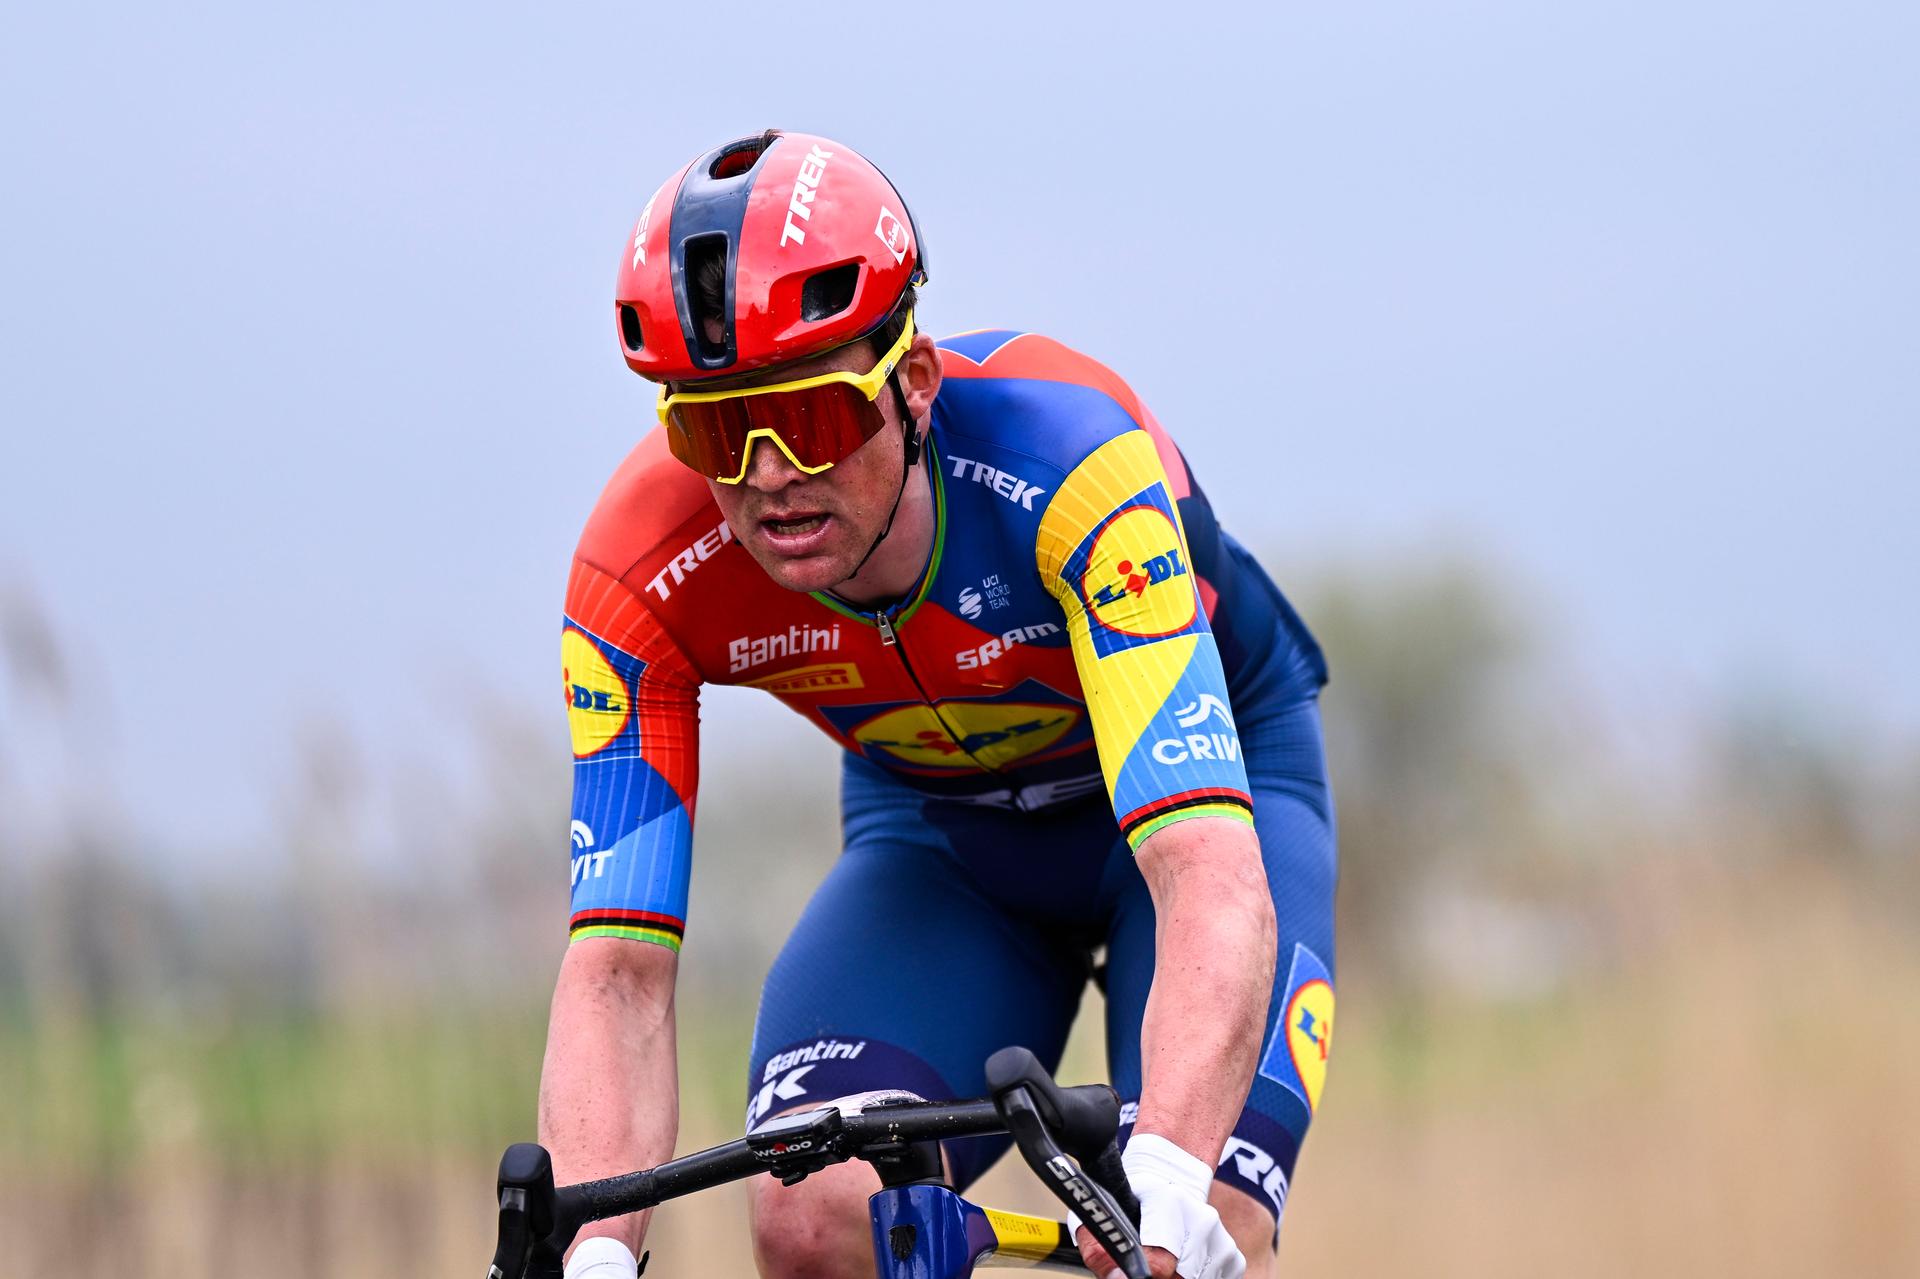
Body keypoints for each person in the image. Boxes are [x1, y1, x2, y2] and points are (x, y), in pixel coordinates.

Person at [540, 130, 1336, 1279]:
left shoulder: (1069, 461)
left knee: (1192, 1229)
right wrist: (596, 1254)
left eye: (807, 418)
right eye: (714, 429)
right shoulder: (639, 571)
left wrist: (1159, 1182)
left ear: (914, 383)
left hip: (1199, 807)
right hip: (944, 840)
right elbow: (616, 966)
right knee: (812, 1216)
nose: (764, 474)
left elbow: (1204, 869)